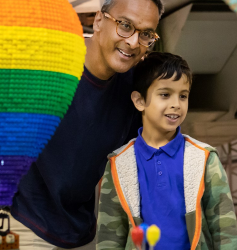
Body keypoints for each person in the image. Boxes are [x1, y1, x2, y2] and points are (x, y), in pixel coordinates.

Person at [0, 0, 164, 249]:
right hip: (17, 222)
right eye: (125, 26)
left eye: (146, 34)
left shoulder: (133, 92)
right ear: (98, 20)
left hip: (79, 231)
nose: (133, 42)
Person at [96, 52, 237, 250]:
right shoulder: (118, 163)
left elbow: (225, 229)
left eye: (183, 96)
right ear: (139, 101)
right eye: (165, 94)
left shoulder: (204, 158)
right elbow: (109, 236)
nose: (176, 104)